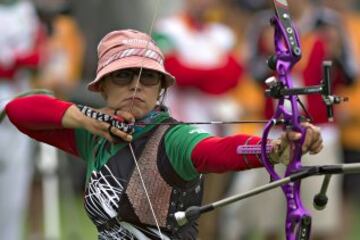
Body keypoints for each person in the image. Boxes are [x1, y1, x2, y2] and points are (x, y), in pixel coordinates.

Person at [3, 29, 323, 239]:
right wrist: (85, 119)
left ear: (161, 89)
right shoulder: (93, 136)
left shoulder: (172, 139)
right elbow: (19, 110)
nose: (135, 85)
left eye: (149, 78)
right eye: (123, 76)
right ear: (101, 87)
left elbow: (215, 150)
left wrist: (275, 148)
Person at [0, 0, 46, 239]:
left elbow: (40, 52)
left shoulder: (26, 9)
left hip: (18, 97)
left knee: (16, 179)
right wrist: (15, 61)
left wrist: (25, 60)